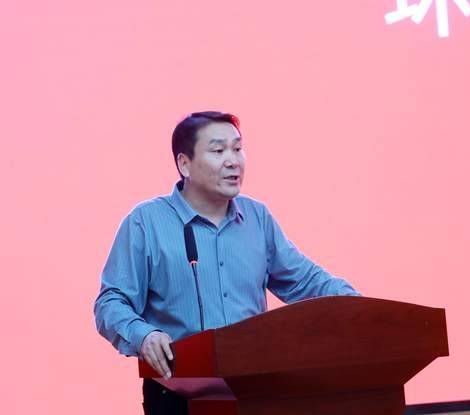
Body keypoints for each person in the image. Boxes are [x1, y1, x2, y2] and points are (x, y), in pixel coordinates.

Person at [94, 111, 360, 415]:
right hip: (178, 394)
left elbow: (306, 280)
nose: (233, 161)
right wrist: (144, 336)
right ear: (184, 164)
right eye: (219, 151)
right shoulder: (146, 222)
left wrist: (357, 305)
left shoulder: (257, 218)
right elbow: (110, 303)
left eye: (238, 148)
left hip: (254, 391)